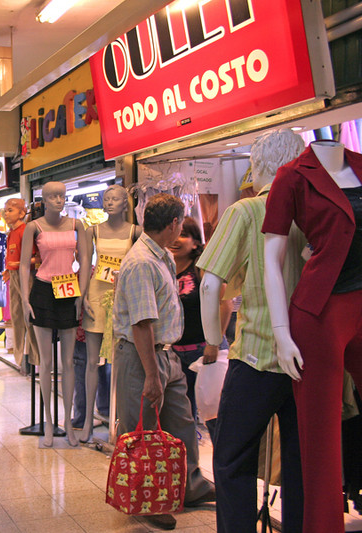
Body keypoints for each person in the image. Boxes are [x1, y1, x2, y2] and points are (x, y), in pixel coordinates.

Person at [199, 129, 306, 533]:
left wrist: (213, 341)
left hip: (258, 356)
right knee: (300, 466)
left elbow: (211, 283)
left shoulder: (246, 212)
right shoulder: (314, 210)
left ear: (257, 166)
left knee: (231, 460)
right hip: (308, 359)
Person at [263, 140, 362, 532]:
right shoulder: (291, 177)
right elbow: (273, 255)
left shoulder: (358, 165)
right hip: (321, 313)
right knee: (320, 443)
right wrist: (281, 332)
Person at [112, 193, 216, 531]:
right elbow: (142, 323)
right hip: (142, 356)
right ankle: (147, 500)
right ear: (172, 224)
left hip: (164, 352)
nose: (181, 234)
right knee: (143, 429)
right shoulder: (142, 261)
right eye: (180, 226)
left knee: (182, 422)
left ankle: (190, 485)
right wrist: (152, 375)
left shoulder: (161, 256)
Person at [20, 181, 91, 447]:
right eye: (53, 196)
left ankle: (68, 425)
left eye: (61, 195)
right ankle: (48, 423)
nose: (59, 200)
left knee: (69, 363)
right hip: (42, 289)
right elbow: (24, 265)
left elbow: (84, 260)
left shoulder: (76, 225)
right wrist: (25, 298)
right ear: (44, 200)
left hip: (68, 289)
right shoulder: (33, 227)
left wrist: (81, 294)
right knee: (46, 364)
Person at [80, 184, 139, 442]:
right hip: (96, 296)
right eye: (107, 199)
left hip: (122, 299)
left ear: (126, 204)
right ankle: (86, 422)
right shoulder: (91, 230)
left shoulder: (136, 232)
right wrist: (81, 296)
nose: (111, 203)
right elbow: (84, 264)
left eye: (116, 199)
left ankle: (123, 422)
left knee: (123, 362)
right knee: (93, 362)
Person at [169, 216, 230, 440]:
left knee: (215, 418)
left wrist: (214, 343)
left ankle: (222, 471)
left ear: (196, 242)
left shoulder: (202, 269)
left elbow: (226, 303)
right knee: (183, 420)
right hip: (177, 355)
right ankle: (188, 470)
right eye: (174, 233)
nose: (177, 239)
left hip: (206, 353)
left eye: (184, 235)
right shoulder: (164, 268)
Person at [2, 198, 39, 371]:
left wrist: (19, 264)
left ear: (22, 213)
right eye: (5, 210)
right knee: (16, 315)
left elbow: (37, 258)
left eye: (10, 210)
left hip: (26, 276)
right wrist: (10, 269)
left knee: (28, 315)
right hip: (13, 276)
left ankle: (35, 357)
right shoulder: (11, 232)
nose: (6, 213)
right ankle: (19, 356)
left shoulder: (26, 231)